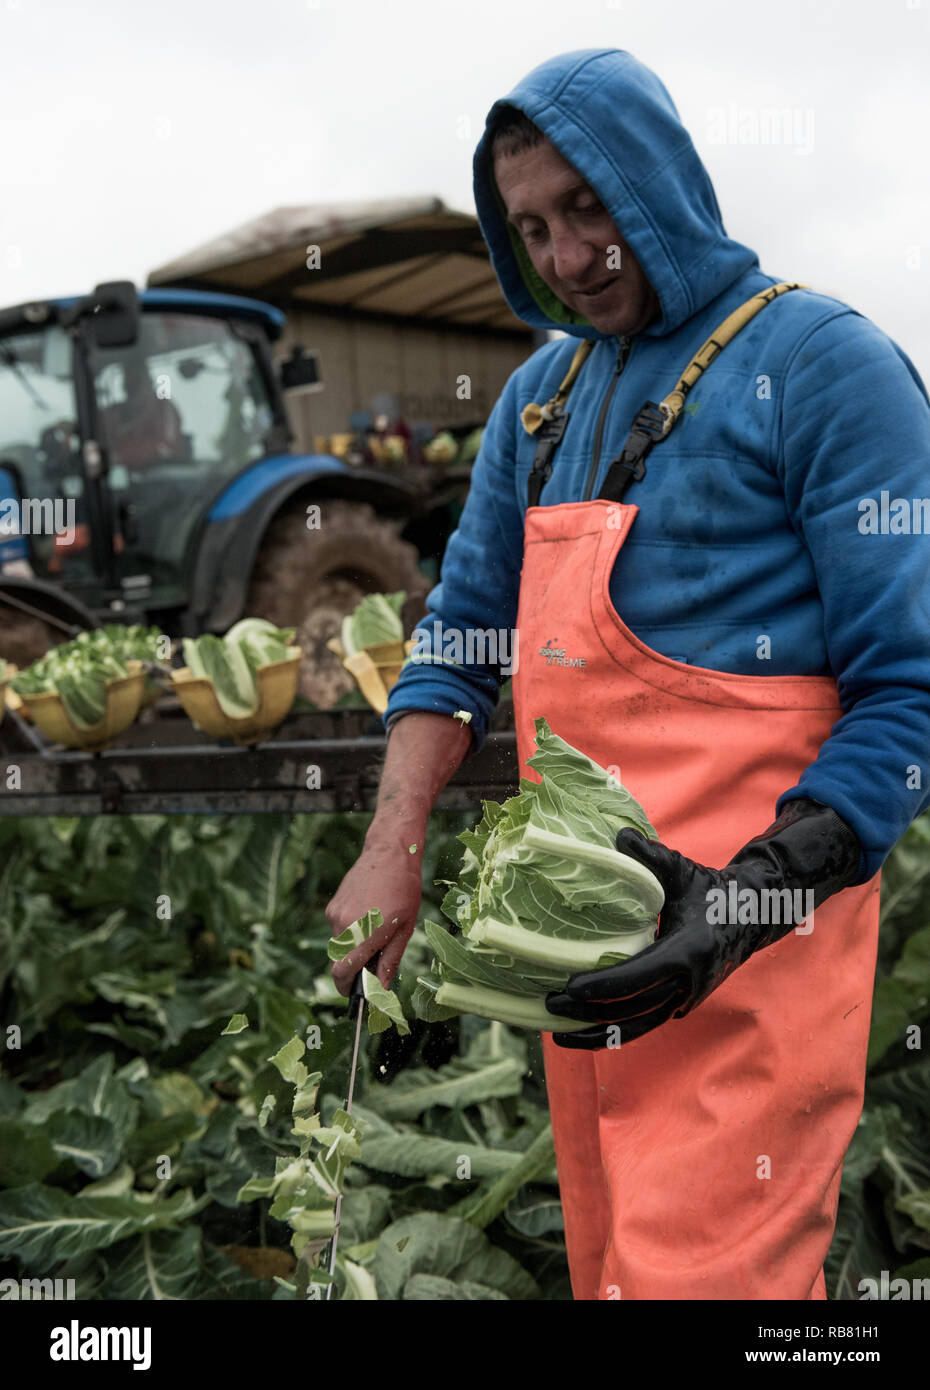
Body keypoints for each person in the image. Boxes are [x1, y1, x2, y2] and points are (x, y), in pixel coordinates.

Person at [326, 48, 930, 1300]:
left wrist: (747, 904)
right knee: (612, 1269)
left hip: (760, 952)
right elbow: (458, 638)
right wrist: (393, 840)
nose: (563, 255)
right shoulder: (540, 401)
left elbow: (909, 695)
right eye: (532, 226)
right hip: (590, 955)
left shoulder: (828, 367)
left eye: (587, 205)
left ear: (659, 180)